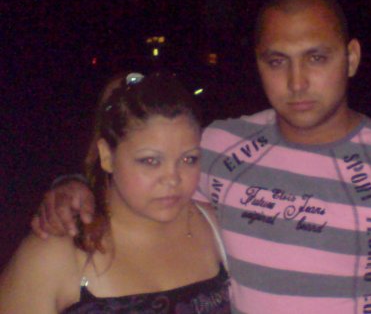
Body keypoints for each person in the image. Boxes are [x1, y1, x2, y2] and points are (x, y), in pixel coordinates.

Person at [31, 0, 371, 313]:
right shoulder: (219, 147)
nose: (297, 82)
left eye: (317, 58)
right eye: (277, 61)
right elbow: (141, 170)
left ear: (351, 58)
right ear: (258, 63)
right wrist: (74, 185)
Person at [1, 72, 231, 313]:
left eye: (188, 159)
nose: (173, 179)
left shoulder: (219, 228)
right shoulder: (56, 253)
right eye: (150, 161)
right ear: (107, 156)